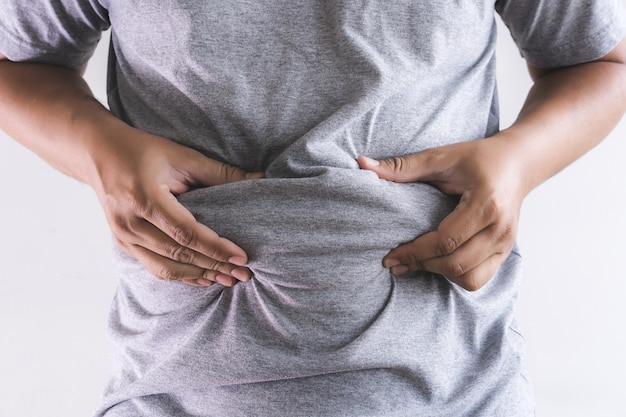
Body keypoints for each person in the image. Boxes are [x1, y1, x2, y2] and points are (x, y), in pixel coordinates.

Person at [1, 1, 625, 416]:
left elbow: (601, 61)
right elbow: (17, 64)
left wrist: (518, 162)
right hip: (178, 391)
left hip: (457, 393)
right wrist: (99, 152)